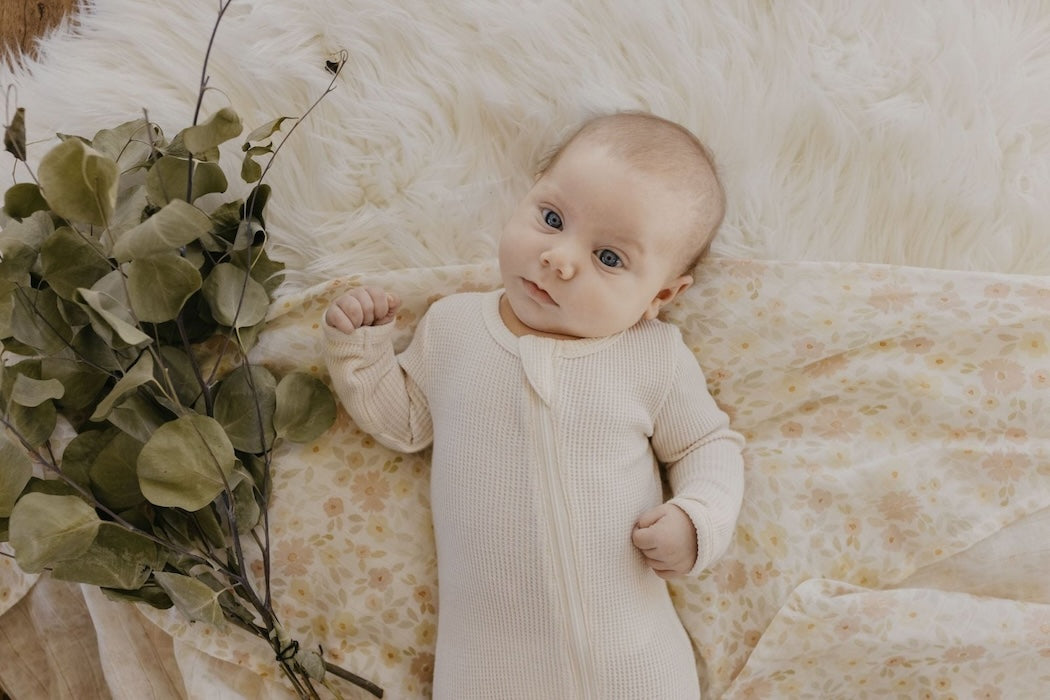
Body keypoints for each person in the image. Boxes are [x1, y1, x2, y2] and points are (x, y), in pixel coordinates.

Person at [323, 111, 745, 699]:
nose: (560, 259)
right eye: (551, 219)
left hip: (636, 667)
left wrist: (698, 520)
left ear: (661, 296)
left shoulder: (653, 358)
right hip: (486, 673)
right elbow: (406, 424)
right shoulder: (454, 327)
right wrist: (360, 350)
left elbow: (708, 446)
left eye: (609, 258)